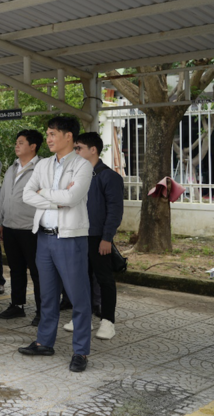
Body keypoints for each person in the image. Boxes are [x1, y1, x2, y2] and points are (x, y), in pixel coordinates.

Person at [20, 116, 93, 373]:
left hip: (70, 238)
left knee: (78, 297)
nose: (48, 139)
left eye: (52, 134)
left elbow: (73, 197)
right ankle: (44, 342)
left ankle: (81, 351)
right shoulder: (43, 165)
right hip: (44, 236)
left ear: (68, 136)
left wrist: (45, 195)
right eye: (48, 134)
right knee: (47, 295)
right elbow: (27, 194)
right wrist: (56, 199)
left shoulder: (82, 165)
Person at [71, 132, 123, 340]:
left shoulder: (109, 176)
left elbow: (115, 211)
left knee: (104, 279)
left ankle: (108, 322)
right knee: (80, 279)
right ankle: (81, 318)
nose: (76, 152)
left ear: (93, 150)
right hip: (78, 234)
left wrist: (107, 238)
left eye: (79, 148)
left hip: (98, 237)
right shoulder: (76, 175)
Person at [0, 130, 43, 326]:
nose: (17, 145)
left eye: (21, 142)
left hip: (31, 228)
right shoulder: (11, 168)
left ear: (33, 146)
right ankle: (17, 305)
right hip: (10, 226)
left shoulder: (42, 168)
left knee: (37, 271)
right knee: (16, 269)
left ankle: (43, 310)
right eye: (16, 142)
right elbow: (3, 196)